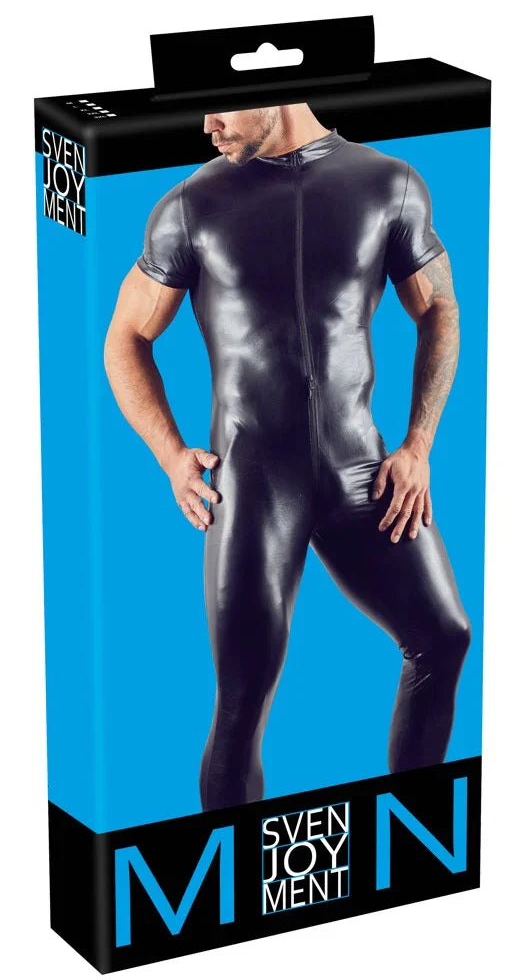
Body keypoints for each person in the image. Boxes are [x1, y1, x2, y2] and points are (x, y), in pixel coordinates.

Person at [104, 103, 471, 812]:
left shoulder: (388, 183)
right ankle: (229, 866)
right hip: (251, 487)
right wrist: (171, 455)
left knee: (443, 637)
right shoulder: (190, 206)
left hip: (361, 472)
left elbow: (439, 308)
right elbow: (125, 337)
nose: (206, 124)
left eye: (219, 105)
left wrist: (419, 444)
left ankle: (412, 835)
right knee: (243, 697)